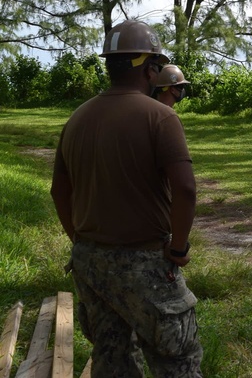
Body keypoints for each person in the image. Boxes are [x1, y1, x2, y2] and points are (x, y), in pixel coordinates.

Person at [50, 20, 203, 377]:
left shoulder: (77, 118)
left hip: (90, 260)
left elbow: (60, 191)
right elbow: (186, 190)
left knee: (111, 354)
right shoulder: (161, 117)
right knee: (176, 358)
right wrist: (178, 249)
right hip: (145, 261)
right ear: (150, 69)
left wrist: (81, 242)